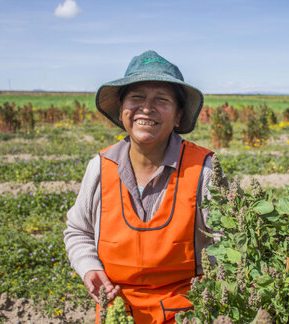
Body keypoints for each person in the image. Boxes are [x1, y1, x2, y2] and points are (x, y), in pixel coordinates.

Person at [64, 50, 217, 324]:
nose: (147, 108)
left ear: (179, 116)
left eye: (162, 99)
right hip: (116, 312)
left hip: (188, 313)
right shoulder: (100, 168)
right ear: (122, 108)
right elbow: (78, 230)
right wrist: (89, 269)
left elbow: (225, 242)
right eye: (136, 97)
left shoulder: (203, 170)